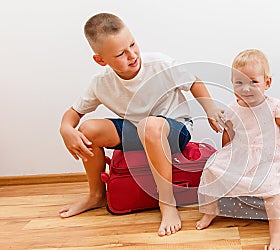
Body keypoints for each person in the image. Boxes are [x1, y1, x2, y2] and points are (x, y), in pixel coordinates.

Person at [59, 13, 226, 236]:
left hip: (173, 129)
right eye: (120, 53)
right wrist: (66, 129)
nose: (132, 55)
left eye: (132, 44)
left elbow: (193, 80)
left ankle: (167, 203)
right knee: (87, 130)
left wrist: (210, 109)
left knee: (150, 125)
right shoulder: (101, 83)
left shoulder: (159, 64)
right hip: (137, 129)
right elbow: (74, 113)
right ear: (101, 60)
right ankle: (96, 195)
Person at [196, 49, 280, 250]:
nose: (246, 88)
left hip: (268, 153)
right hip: (241, 150)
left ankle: (276, 232)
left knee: (269, 185)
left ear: (267, 83)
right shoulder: (233, 108)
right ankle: (210, 210)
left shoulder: (276, 107)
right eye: (239, 82)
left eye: (253, 82)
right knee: (212, 168)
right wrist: (227, 156)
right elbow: (229, 134)